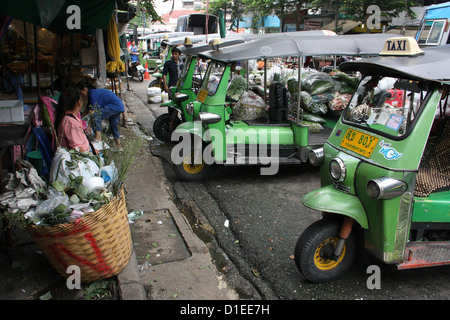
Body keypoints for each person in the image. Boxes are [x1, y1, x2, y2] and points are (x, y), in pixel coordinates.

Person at [77, 81, 125, 151]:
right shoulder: (91, 94)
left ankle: (98, 138)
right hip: (118, 106)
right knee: (113, 125)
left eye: (81, 92)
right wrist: (79, 119)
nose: (81, 95)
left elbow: (94, 112)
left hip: (115, 105)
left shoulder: (93, 94)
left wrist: (89, 126)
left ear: (85, 89)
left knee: (97, 115)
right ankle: (119, 146)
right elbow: (87, 109)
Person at [54, 87, 93, 153]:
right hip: (76, 159)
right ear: (79, 102)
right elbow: (77, 149)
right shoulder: (70, 122)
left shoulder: (70, 119)